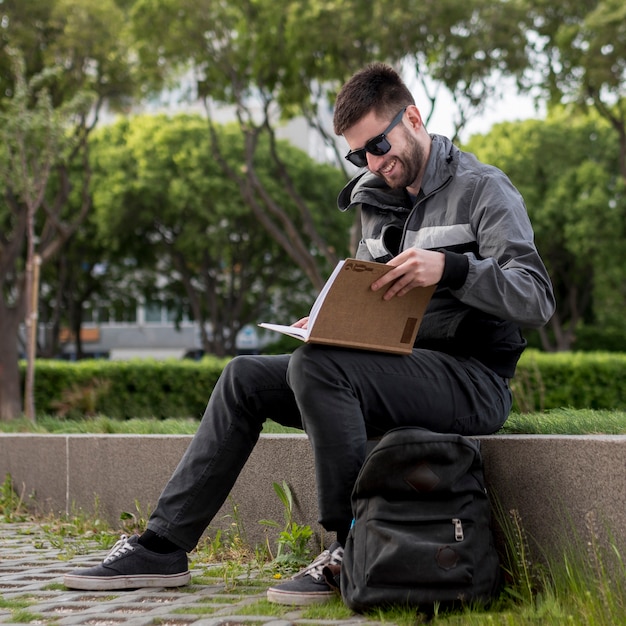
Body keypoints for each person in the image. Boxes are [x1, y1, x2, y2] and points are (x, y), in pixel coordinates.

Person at [63, 62, 555, 605]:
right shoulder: (377, 201)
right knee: (245, 376)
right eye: (359, 154)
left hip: (471, 380)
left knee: (317, 366)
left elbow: (535, 296)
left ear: (413, 118)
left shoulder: (484, 188)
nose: (372, 161)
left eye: (379, 144)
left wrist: (451, 269)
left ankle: (349, 547)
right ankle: (163, 545)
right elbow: (380, 304)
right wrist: (330, 318)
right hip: (396, 371)